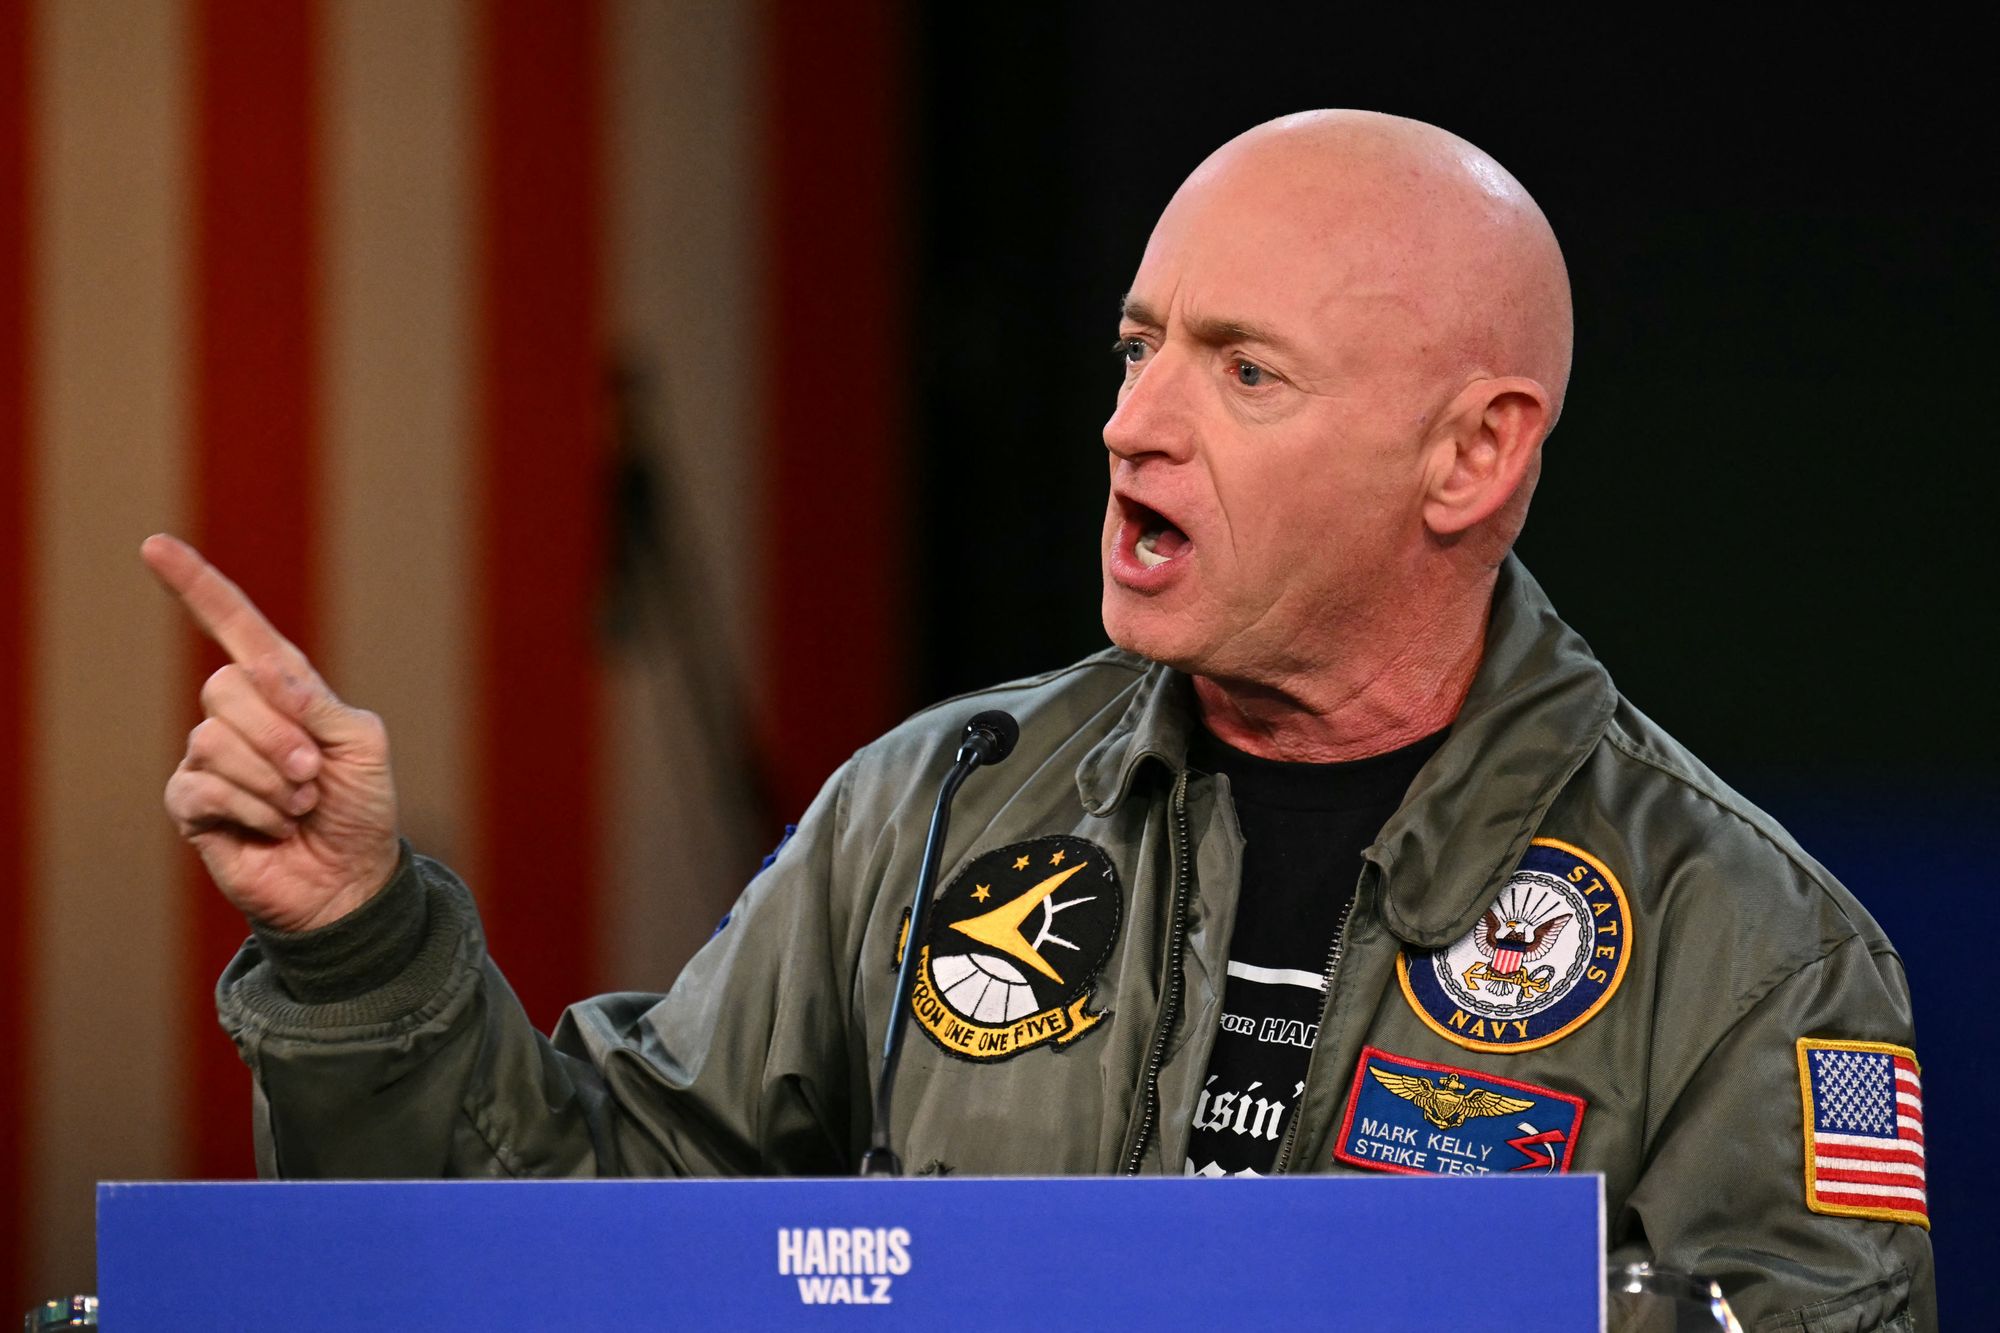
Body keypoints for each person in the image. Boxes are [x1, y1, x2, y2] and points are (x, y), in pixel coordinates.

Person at [145, 110, 1933, 1328]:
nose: (1132, 423)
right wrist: (355, 938)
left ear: (1471, 453)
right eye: (1139, 345)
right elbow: (564, 1245)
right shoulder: (932, 807)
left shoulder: (1756, 952)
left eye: (1243, 370)